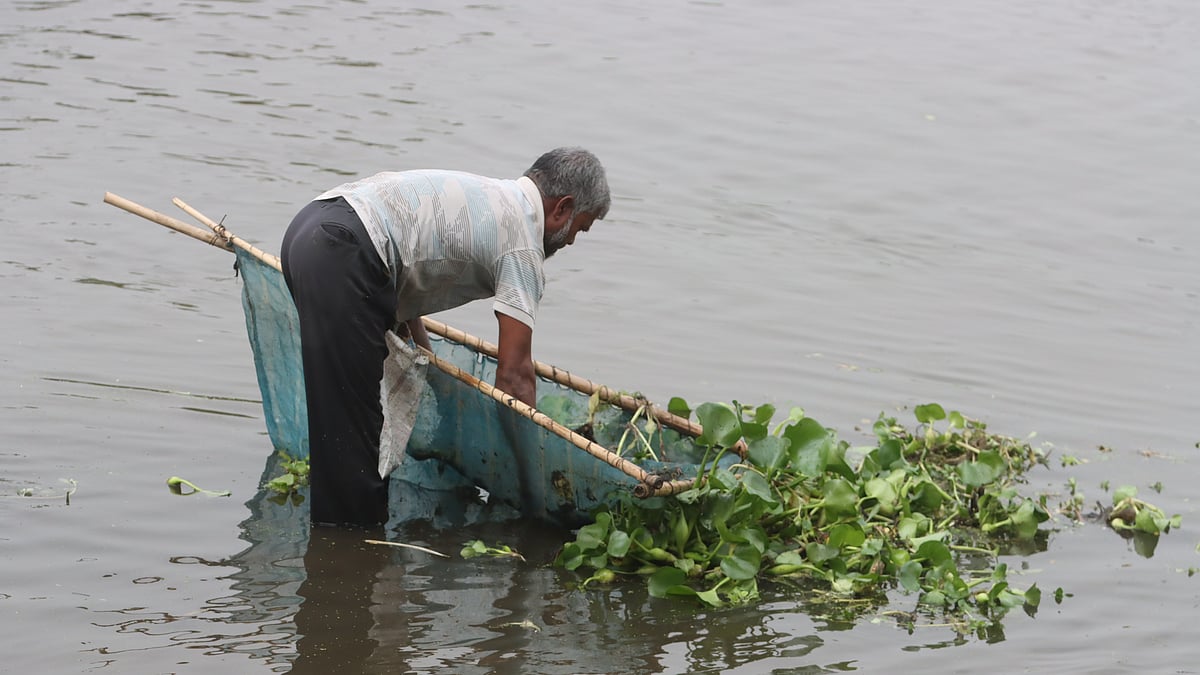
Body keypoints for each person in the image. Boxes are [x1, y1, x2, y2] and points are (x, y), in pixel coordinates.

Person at [280, 147, 610, 527]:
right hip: (343, 250)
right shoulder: (522, 243)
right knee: (353, 448)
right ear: (562, 208)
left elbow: (406, 270)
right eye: (580, 229)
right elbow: (514, 377)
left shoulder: (494, 198)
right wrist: (530, 480)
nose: (571, 242)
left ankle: (342, 550)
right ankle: (348, 560)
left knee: (345, 425)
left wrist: (427, 358)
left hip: (313, 228)